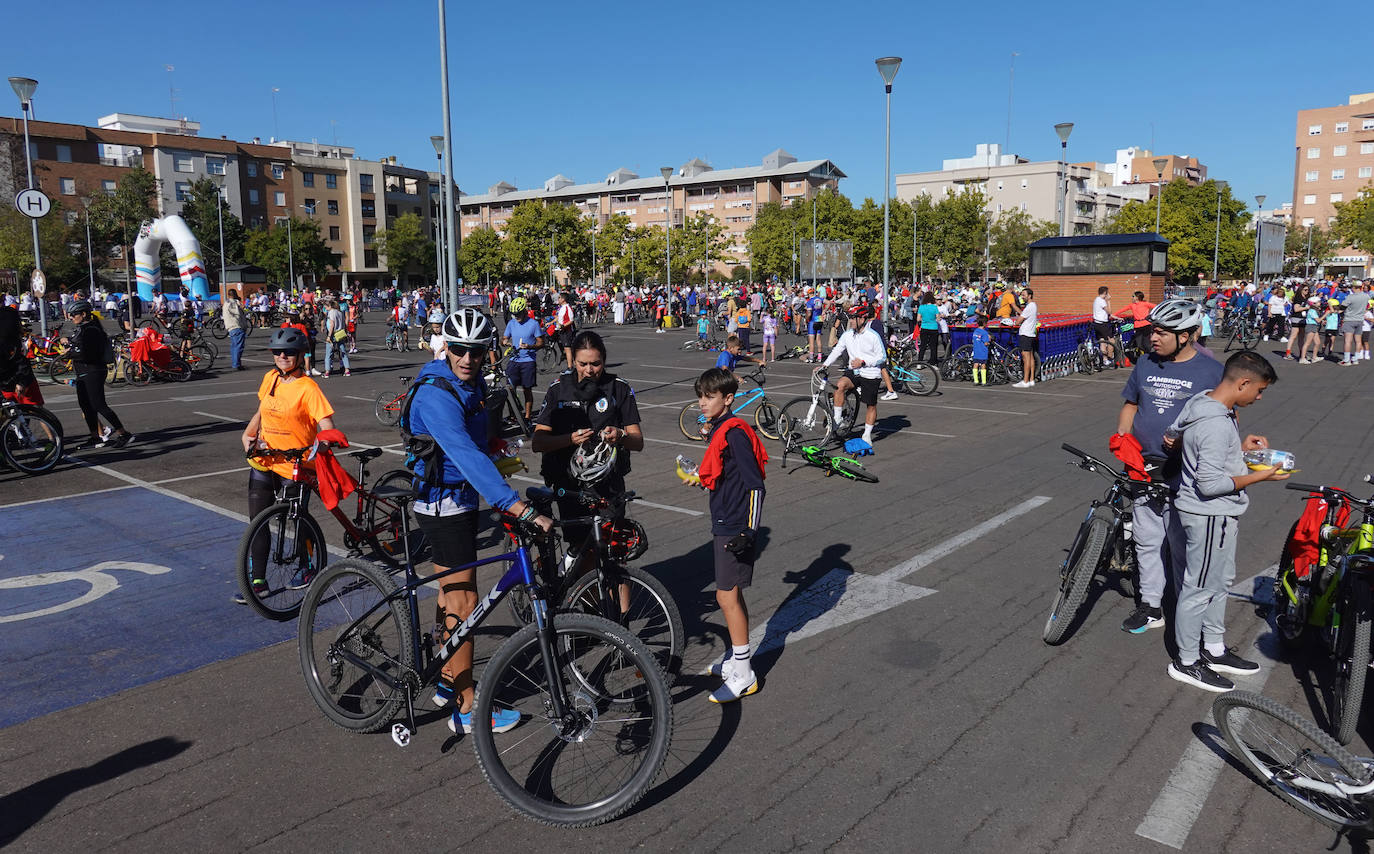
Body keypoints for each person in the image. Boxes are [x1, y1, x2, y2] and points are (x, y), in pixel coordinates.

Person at [1165, 351, 1287, 691]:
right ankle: (1187, 661)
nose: (1259, 397)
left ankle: (1214, 649)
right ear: (1243, 382)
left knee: (1218, 581)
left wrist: (1239, 449)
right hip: (1209, 515)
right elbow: (1211, 484)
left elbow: (1173, 435)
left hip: (1216, 515)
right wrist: (1260, 476)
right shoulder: (1216, 423)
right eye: (1259, 390)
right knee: (1199, 587)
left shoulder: (1205, 403)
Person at [1115, 299, 1222, 635]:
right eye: (1153, 331)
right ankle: (1150, 606)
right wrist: (1123, 440)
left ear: (1188, 336)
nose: (1153, 338)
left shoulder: (1211, 371)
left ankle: (1184, 609)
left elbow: (1224, 421)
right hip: (1143, 467)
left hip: (1185, 472)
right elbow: (1131, 405)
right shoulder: (1145, 362)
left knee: (1181, 544)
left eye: (1162, 332)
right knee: (1146, 541)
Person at [237, 326, 334, 603]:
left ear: (300, 355)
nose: (282, 356)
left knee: (298, 520)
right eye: (277, 352)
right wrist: (249, 433)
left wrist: (323, 444)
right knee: (258, 522)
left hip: (294, 464)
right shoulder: (270, 378)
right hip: (264, 459)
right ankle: (258, 581)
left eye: (288, 352)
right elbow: (262, 410)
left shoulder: (309, 388)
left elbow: (326, 425)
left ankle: (307, 566)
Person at [692, 366, 766, 703]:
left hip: (736, 525)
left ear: (728, 398)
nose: (702, 402)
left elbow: (755, 485)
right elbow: (725, 471)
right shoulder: (720, 428)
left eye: (709, 397)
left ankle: (744, 673)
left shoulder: (734, 432)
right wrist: (699, 476)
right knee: (729, 595)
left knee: (727, 596)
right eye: (700, 396)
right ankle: (737, 661)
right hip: (724, 520)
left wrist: (750, 530)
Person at [62, 300, 134, 449]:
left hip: (93, 371)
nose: (71, 317)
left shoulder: (91, 330)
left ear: (83, 314)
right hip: (83, 371)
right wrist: (69, 344)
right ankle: (95, 437)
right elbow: (79, 346)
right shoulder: (83, 328)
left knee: (98, 404)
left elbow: (88, 353)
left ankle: (123, 433)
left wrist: (69, 353)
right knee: (85, 405)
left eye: (74, 314)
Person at [817, 304, 885, 446]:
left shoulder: (873, 336)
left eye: (854, 318)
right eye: (851, 318)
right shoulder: (848, 335)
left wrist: (864, 361)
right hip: (854, 371)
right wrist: (824, 365)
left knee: (870, 405)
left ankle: (866, 435)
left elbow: (882, 357)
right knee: (840, 385)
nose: (851, 321)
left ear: (862, 319)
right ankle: (837, 420)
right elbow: (837, 350)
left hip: (871, 373)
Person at [502, 297, 542, 421]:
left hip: (528, 361)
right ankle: (513, 414)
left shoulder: (533, 324)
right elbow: (504, 339)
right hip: (514, 360)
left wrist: (530, 346)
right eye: (514, 314)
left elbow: (541, 342)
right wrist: (505, 342)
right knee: (509, 388)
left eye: (518, 314)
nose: (516, 316)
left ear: (524, 311)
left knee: (527, 389)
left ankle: (527, 416)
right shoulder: (511, 323)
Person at [1340, 280, 1372, 365]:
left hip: (1349, 320)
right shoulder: (1366, 296)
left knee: (1348, 341)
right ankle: (1355, 359)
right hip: (1360, 320)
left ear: (1354, 287)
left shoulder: (1351, 297)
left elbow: (1343, 306)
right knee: (1358, 341)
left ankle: (1346, 360)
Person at [1012, 288, 1038, 388]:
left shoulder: (1029, 307)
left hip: (1025, 334)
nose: (1022, 297)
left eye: (1024, 295)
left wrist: (1016, 322)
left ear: (1029, 295)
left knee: (1025, 357)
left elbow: (1018, 321)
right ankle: (1031, 379)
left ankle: (1025, 381)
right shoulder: (1033, 305)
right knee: (1030, 357)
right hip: (1030, 333)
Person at [321, 299, 351, 377]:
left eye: (325, 307)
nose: (325, 309)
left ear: (329, 306)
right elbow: (344, 324)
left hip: (333, 334)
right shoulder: (340, 313)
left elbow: (332, 324)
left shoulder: (331, 313)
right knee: (343, 351)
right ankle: (347, 370)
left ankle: (327, 372)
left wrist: (329, 336)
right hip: (340, 333)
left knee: (328, 354)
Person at [1091, 286, 1117, 368]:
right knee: (1111, 341)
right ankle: (1110, 358)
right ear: (1105, 293)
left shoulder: (1096, 300)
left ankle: (1105, 360)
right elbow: (1109, 311)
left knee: (1102, 341)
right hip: (1103, 325)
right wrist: (1108, 301)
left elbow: (1105, 313)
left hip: (1096, 323)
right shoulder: (1102, 301)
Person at [224, 289, 248, 371]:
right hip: (236, 326)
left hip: (230, 327)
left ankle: (235, 363)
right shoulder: (232, 303)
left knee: (234, 346)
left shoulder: (226, 303)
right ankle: (236, 364)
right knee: (238, 346)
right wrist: (240, 305)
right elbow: (238, 313)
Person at [915, 293, 940, 364]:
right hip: (933, 328)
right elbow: (938, 318)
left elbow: (918, 319)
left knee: (923, 345)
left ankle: (919, 362)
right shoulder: (934, 307)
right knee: (933, 346)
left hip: (924, 327)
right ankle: (933, 361)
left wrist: (924, 319)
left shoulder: (921, 307)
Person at [554, 292, 577, 369]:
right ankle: (570, 361)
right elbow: (558, 317)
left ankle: (570, 367)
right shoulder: (561, 308)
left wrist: (563, 326)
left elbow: (571, 320)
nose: (558, 299)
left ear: (563, 299)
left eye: (559, 298)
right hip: (561, 330)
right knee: (564, 347)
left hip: (567, 331)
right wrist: (550, 322)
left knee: (567, 348)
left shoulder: (568, 308)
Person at [970, 317, 990, 385]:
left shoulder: (975, 331)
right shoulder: (984, 333)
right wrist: (989, 340)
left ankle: (976, 380)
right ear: (984, 324)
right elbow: (986, 343)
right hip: (983, 351)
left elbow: (973, 340)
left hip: (976, 350)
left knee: (975, 364)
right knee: (983, 365)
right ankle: (984, 381)